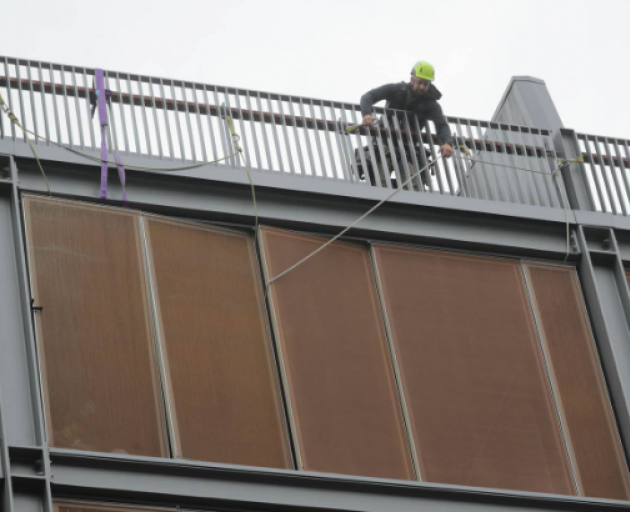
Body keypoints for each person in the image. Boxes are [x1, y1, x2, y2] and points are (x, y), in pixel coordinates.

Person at [356, 61, 454, 189]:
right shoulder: (396, 90)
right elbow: (368, 97)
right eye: (420, 82)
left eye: (426, 84)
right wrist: (367, 114)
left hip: (409, 148)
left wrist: (446, 143)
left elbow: (442, 125)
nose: (422, 87)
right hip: (384, 143)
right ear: (412, 79)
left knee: (413, 185)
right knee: (379, 180)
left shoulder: (430, 104)